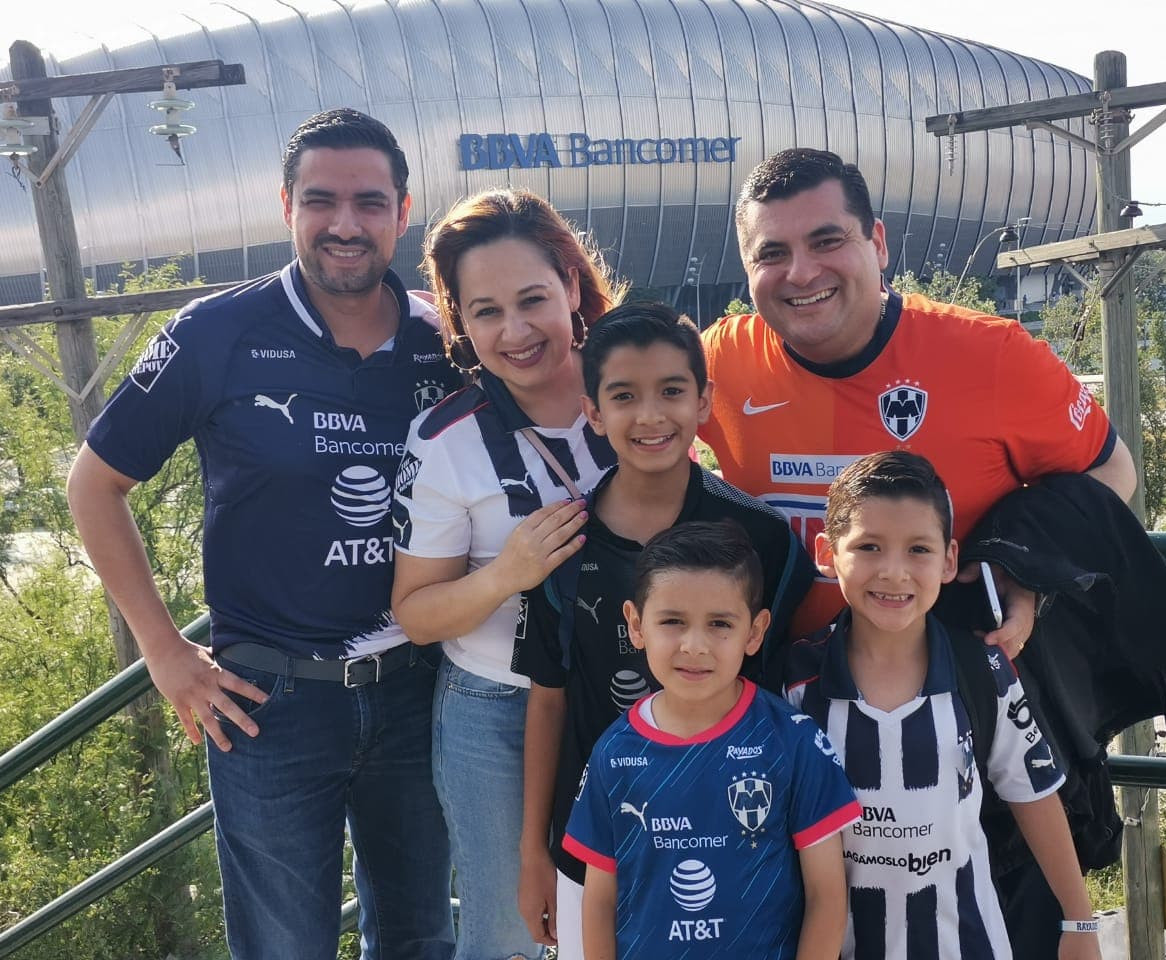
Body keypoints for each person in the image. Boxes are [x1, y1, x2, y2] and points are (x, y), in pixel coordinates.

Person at [65, 109, 458, 960]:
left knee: (424, 938)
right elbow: (94, 486)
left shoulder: (447, 339)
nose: (345, 224)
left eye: (369, 201)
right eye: (321, 200)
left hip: (421, 689)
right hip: (266, 704)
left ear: (403, 210)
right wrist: (163, 651)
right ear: (286, 206)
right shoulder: (215, 333)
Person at [699, 147, 1137, 653]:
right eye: (772, 254)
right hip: (780, 688)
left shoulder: (992, 354)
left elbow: (1113, 470)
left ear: (878, 243)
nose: (800, 272)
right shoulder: (718, 361)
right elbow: (633, 433)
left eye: (827, 241)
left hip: (959, 685)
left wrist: (1028, 565)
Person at [514, 302, 816, 959]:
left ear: (704, 401)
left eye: (672, 391)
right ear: (594, 412)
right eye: (624, 396)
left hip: (736, 841)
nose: (650, 416)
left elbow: (776, 699)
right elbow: (547, 699)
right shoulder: (560, 544)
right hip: (598, 849)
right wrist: (534, 850)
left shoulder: (761, 537)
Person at [390, 188, 621, 960]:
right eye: (486, 312)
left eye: (532, 300)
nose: (515, 332)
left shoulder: (636, 387)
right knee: (512, 933)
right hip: (499, 711)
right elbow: (416, 613)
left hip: (634, 695)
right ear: (459, 321)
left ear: (571, 287)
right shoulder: (447, 438)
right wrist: (507, 574)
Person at [785, 450, 1102, 960]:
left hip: (967, 945)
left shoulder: (982, 670)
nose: (894, 572)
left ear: (949, 560)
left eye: (918, 549)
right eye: (868, 546)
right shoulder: (797, 682)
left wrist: (1079, 921)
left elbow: (1033, 793)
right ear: (827, 553)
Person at [563, 521, 859, 960]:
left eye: (720, 623)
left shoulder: (792, 742)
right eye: (673, 621)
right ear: (636, 624)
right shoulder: (615, 752)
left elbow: (827, 896)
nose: (695, 645)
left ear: (755, 632)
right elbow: (600, 901)